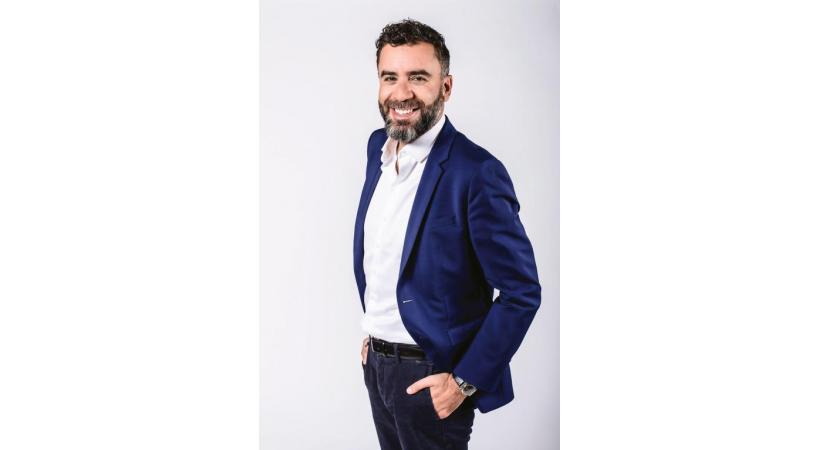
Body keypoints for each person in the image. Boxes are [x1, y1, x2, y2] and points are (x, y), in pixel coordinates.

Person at [353, 19, 541, 450]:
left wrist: (463, 381)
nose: (401, 93)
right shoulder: (376, 148)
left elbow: (522, 291)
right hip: (377, 366)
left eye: (418, 78)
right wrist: (377, 333)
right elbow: (387, 256)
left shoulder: (476, 172)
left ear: (446, 86)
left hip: (432, 377)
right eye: (390, 77)